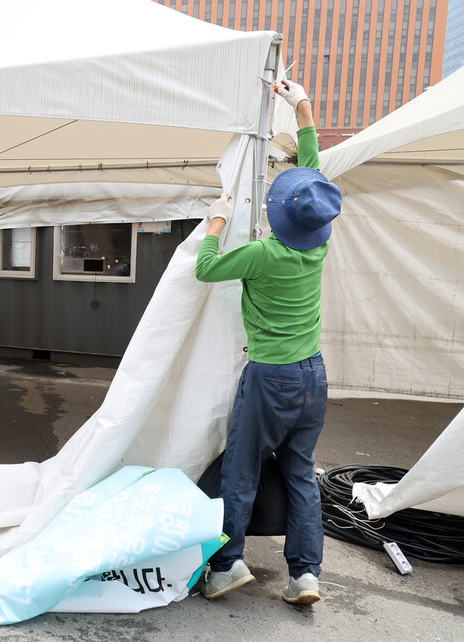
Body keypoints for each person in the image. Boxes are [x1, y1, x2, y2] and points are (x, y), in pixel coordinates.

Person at [195, 79, 343, 605]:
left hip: (269, 378)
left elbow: (206, 269)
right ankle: (306, 576)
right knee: (301, 471)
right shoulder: (315, 249)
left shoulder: (262, 256)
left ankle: (228, 564)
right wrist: (300, 103)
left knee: (243, 465)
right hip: (313, 375)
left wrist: (216, 221)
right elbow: (313, 178)